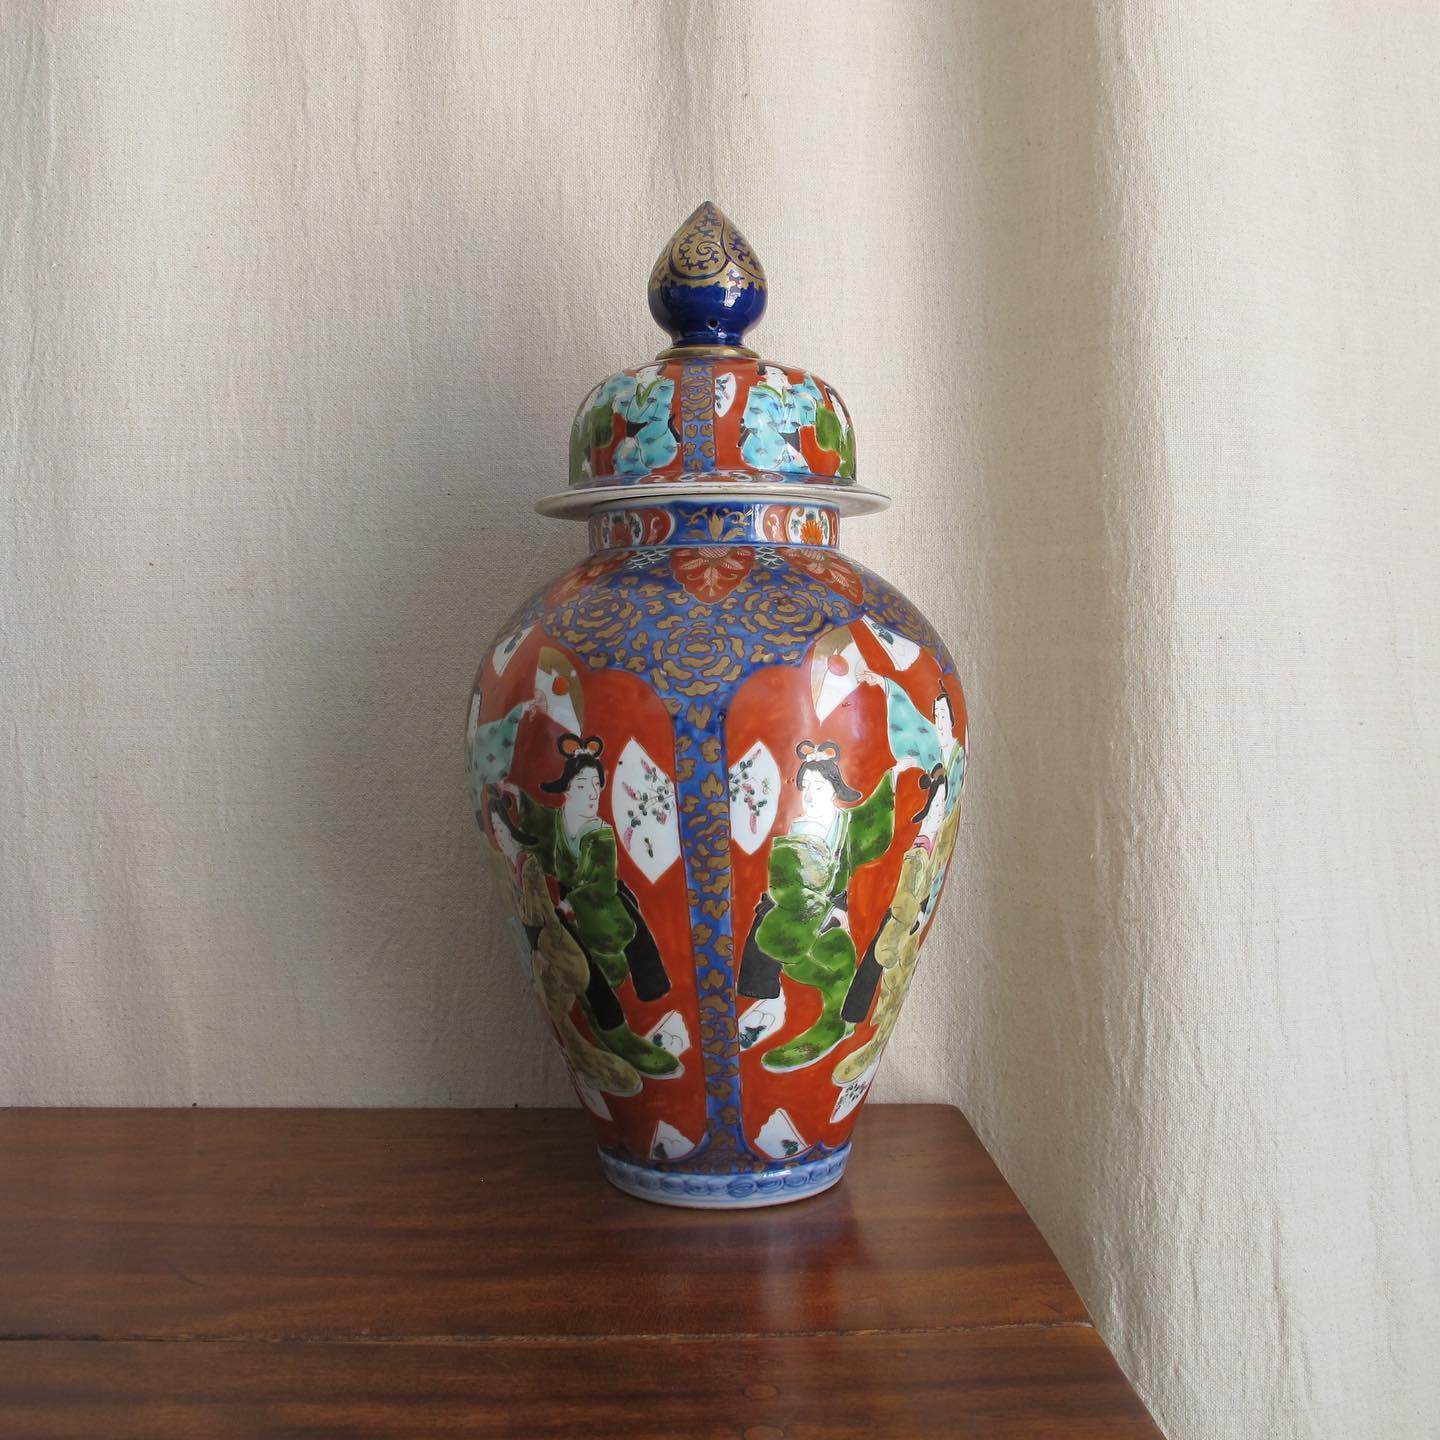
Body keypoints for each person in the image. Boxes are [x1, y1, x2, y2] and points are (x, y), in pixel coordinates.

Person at [509, 734, 678, 1079]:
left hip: (600, 911)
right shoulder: (559, 822)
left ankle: (619, 1033)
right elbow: (538, 826)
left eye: (595, 786)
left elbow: (601, 884)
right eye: (582, 785)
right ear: (567, 788)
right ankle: (602, 1036)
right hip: (564, 910)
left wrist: (570, 904)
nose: (591, 793)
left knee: (601, 974)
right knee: (575, 971)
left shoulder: (599, 833)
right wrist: (514, 797)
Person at [738, 740, 894, 1072]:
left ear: (834, 788)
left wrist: (892, 776)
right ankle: (768, 1001)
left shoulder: (845, 825)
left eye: (819, 786)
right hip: (794, 907)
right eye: (804, 786)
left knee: (833, 964)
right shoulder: (797, 826)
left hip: (827, 914)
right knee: (767, 927)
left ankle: (835, 1022)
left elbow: (872, 839)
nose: (809, 795)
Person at [483, 791, 642, 1097]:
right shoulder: (508, 867)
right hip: (540, 945)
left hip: (553, 940)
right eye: (495, 830)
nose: (500, 836)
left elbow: (545, 914)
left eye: (503, 828)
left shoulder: (529, 865)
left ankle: (607, 1055)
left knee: (585, 983)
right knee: (568, 1014)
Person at [833, 763, 961, 1085]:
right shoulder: (913, 838)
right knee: (873, 963)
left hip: (905, 912)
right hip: (892, 908)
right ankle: (850, 1017)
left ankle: (858, 1029)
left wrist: (916, 912)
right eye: (935, 802)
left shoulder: (934, 839)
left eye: (940, 802)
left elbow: (925, 883)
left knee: (880, 967)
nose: (935, 811)